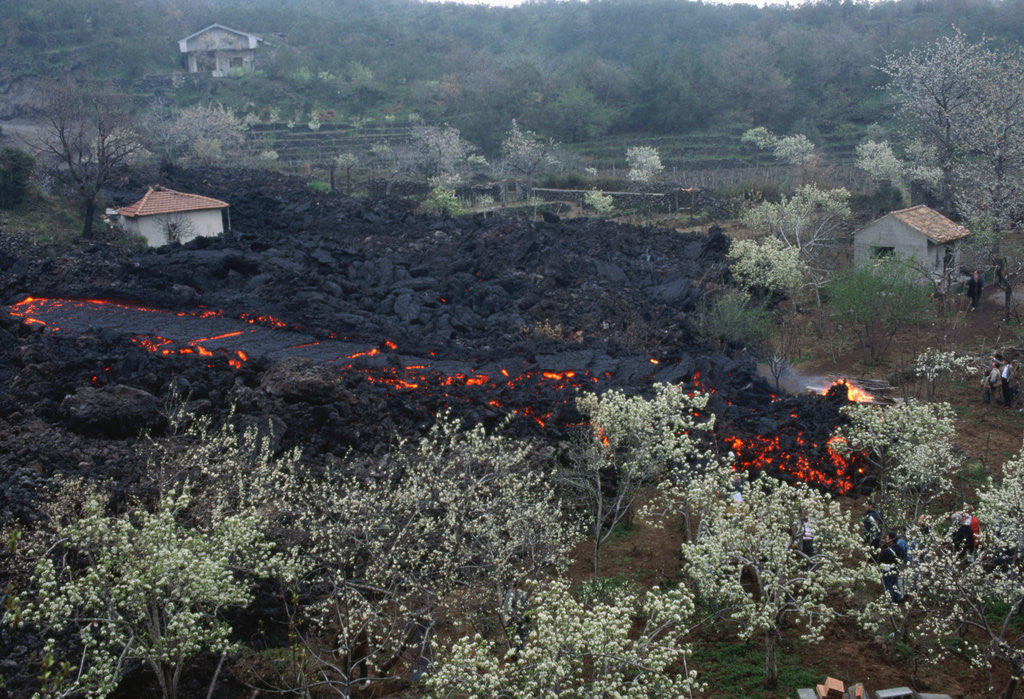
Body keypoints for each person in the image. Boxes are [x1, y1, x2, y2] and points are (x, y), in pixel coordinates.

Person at [878, 532, 905, 603]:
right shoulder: (899, 549)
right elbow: (903, 556)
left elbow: (880, 559)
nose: (886, 539)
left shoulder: (886, 551)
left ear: (891, 539)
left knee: (888, 586)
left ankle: (890, 601)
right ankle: (897, 599)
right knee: (895, 584)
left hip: (887, 569)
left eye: (887, 537)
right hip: (896, 569)